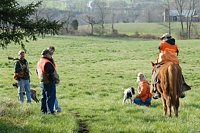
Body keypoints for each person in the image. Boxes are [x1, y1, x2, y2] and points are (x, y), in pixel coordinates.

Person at [152, 33, 189, 99]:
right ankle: (181, 88)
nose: (162, 39)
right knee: (179, 74)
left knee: (155, 71)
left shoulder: (162, 43)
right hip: (174, 61)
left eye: (163, 38)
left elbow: (160, 51)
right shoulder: (175, 45)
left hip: (164, 60)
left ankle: (156, 90)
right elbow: (177, 52)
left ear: (165, 38)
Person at [36, 49, 60, 115]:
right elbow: (50, 73)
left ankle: (43, 111)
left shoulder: (40, 61)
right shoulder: (47, 62)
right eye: (50, 54)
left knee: (43, 97)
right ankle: (51, 112)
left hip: (42, 82)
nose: (51, 56)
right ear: (46, 54)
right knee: (50, 98)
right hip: (49, 82)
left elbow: (37, 72)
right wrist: (53, 81)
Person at [48, 46, 61, 112]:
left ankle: (55, 107)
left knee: (52, 94)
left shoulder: (51, 59)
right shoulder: (48, 59)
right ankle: (54, 108)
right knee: (50, 95)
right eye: (50, 50)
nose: (51, 52)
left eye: (52, 51)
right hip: (48, 79)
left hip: (51, 78)